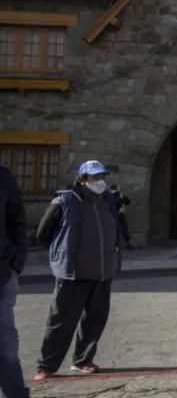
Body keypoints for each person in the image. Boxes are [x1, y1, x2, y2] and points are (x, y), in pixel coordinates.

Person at [34, 160, 122, 380]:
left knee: (95, 319)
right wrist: (63, 255)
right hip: (73, 272)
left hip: (103, 271)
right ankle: (47, 366)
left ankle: (83, 359)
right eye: (94, 178)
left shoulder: (108, 200)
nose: (99, 182)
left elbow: (117, 227)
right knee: (62, 320)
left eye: (102, 177)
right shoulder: (65, 200)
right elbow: (43, 234)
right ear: (82, 179)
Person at [0, 164, 72, 398]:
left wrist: (14, 264)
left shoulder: (3, 176)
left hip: (2, 275)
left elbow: (16, 220)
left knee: (5, 350)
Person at [108, 184, 135, 250]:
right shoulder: (120, 196)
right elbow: (128, 202)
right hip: (119, 215)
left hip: (111, 215)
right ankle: (126, 244)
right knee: (123, 230)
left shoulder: (108, 195)